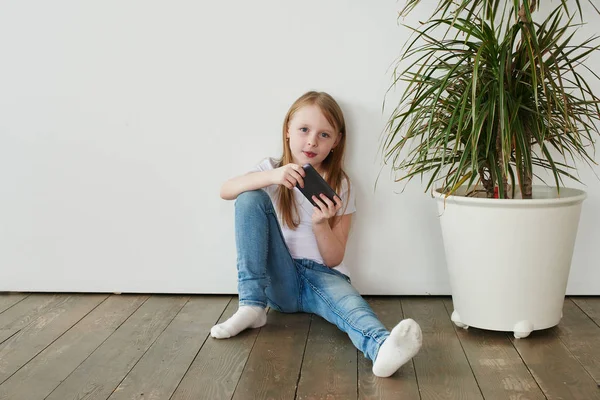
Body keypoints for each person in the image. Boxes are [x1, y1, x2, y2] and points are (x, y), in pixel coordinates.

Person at [211, 91, 422, 378]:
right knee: (248, 198)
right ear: (288, 131)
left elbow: (334, 258)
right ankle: (251, 305)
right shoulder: (271, 170)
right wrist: (273, 177)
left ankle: (382, 348)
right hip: (279, 281)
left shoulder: (341, 184)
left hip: (323, 274)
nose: (312, 141)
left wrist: (321, 224)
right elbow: (226, 190)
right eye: (304, 130)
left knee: (350, 306)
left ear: (336, 141)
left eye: (324, 135)